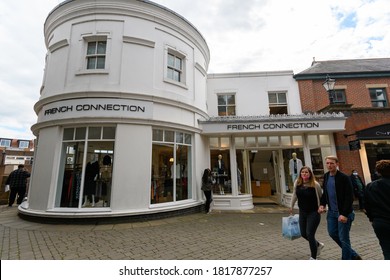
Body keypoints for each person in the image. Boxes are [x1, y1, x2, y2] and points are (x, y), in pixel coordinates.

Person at [318, 155, 362, 260]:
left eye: (332, 163)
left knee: (343, 238)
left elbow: (349, 197)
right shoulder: (326, 176)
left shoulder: (344, 178)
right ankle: (353, 255)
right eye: (327, 163)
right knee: (332, 233)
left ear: (337, 164)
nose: (329, 165)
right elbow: (325, 194)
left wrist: (344, 214)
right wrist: (322, 205)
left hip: (343, 213)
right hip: (331, 213)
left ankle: (346, 259)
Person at [290, 166, 324, 260]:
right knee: (303, 233)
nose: (304, 174)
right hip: (303, 212)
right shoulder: (297, 183)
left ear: (310, 174)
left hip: (313, 212)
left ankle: (313, 257)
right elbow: (294, 194)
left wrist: (322, 207)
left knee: (310, 234)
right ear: (300, 174)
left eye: (306, 172)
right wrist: (291, 206)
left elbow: (321, 197)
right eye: (302, 172)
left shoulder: (315, 184)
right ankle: (318, 245)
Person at [364, 160, 390, 260]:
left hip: (380, 222)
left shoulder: (370, 186)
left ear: (378, 172)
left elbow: (367, 205)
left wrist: (371, 218)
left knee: (386, 249)